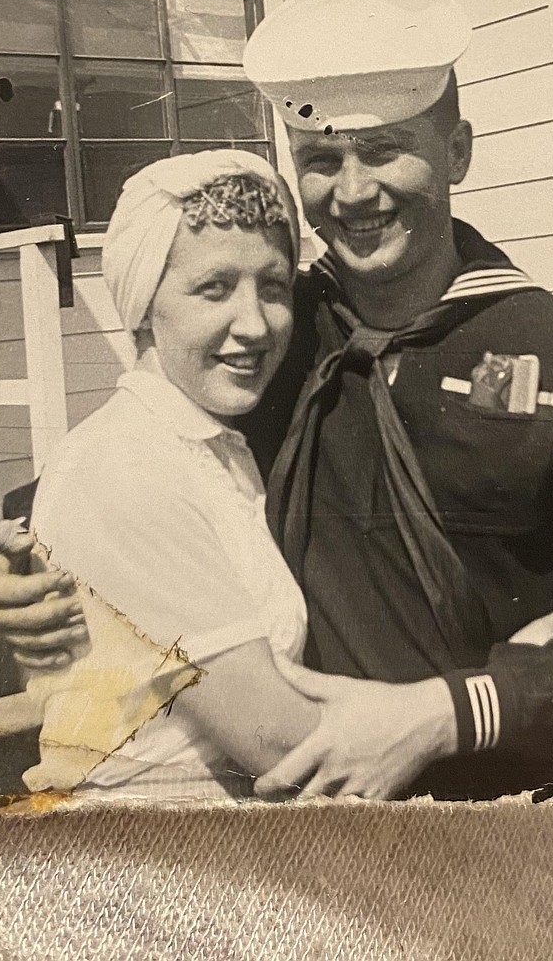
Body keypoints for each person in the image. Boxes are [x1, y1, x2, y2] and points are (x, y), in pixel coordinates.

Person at [0, 0, 553, 802]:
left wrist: (457, 710)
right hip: (330, 827)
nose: (353, 192)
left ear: (458, 150)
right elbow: (133, 476)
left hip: (520, 817)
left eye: (387, 147)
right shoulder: (272, 343)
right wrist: (22, 576)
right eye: (321, 160)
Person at [18, 150, 325, 801]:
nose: (255, 324)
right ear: (143, 303)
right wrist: (467, 714)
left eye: (274, 287)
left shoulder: (209, 446)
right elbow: (274, 739)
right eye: (214, 288)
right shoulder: (124, 467)